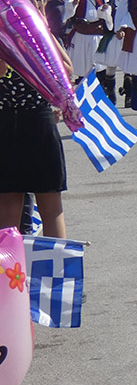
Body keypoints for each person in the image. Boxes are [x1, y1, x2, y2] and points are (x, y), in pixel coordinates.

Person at [0, 43, 71, 240]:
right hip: (39, 119)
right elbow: (66, 69)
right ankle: (54, 269)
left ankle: (9, 269)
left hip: (5, 120)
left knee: (8, 204)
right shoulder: (33, 30)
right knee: (51, 206)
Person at [61, 0, 111, 85]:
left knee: (98, 66)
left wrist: (104, 10)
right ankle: (82, 87)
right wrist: (73, 4)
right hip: (81, 35)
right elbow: (68, 11)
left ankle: (99, 87)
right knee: (83, 65)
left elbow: (107, 8)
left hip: (96, 34)